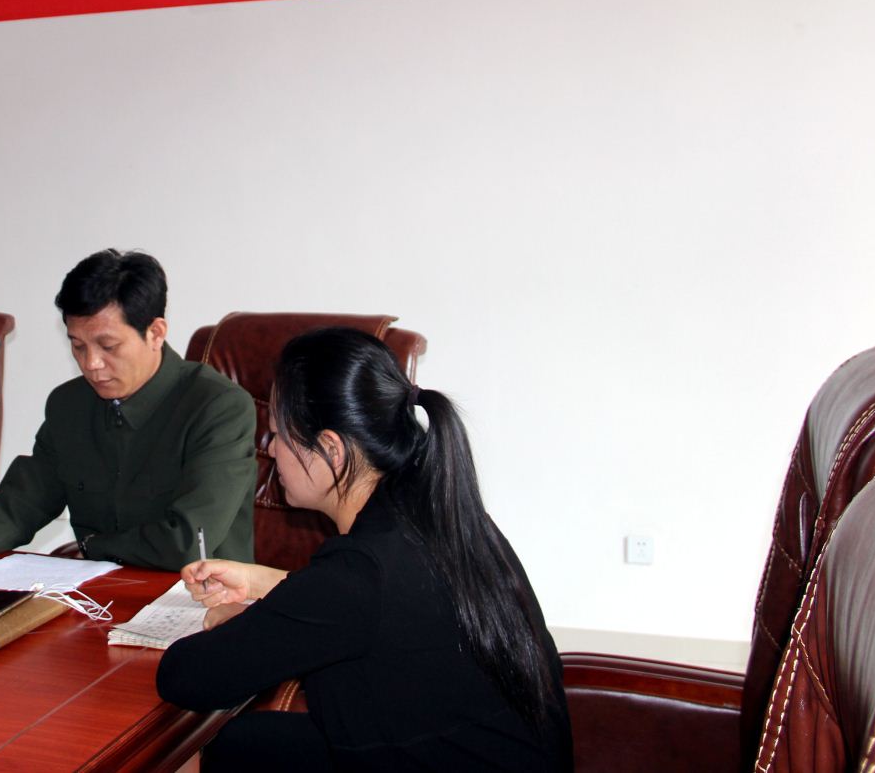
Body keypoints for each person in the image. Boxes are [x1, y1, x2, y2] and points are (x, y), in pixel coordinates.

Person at [156, 327, 572, 772]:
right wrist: (263, 583)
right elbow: (380, 607)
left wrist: (235, 623)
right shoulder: (434, 514)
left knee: (205, 752)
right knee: (245, 743)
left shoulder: (361, 570)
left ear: (330, 449)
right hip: (488, 753)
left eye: (277, 433)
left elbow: (186, 676)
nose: (271, 450)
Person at [0, 249, 256, 586]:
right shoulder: (70, 404)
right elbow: (25, 500)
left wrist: (92, 546)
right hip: (97, 595)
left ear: (155, 333)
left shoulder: (218, 407)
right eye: (78, 345)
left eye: (108, 346)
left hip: (198, 600)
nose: (91, 364)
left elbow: (186, 541)